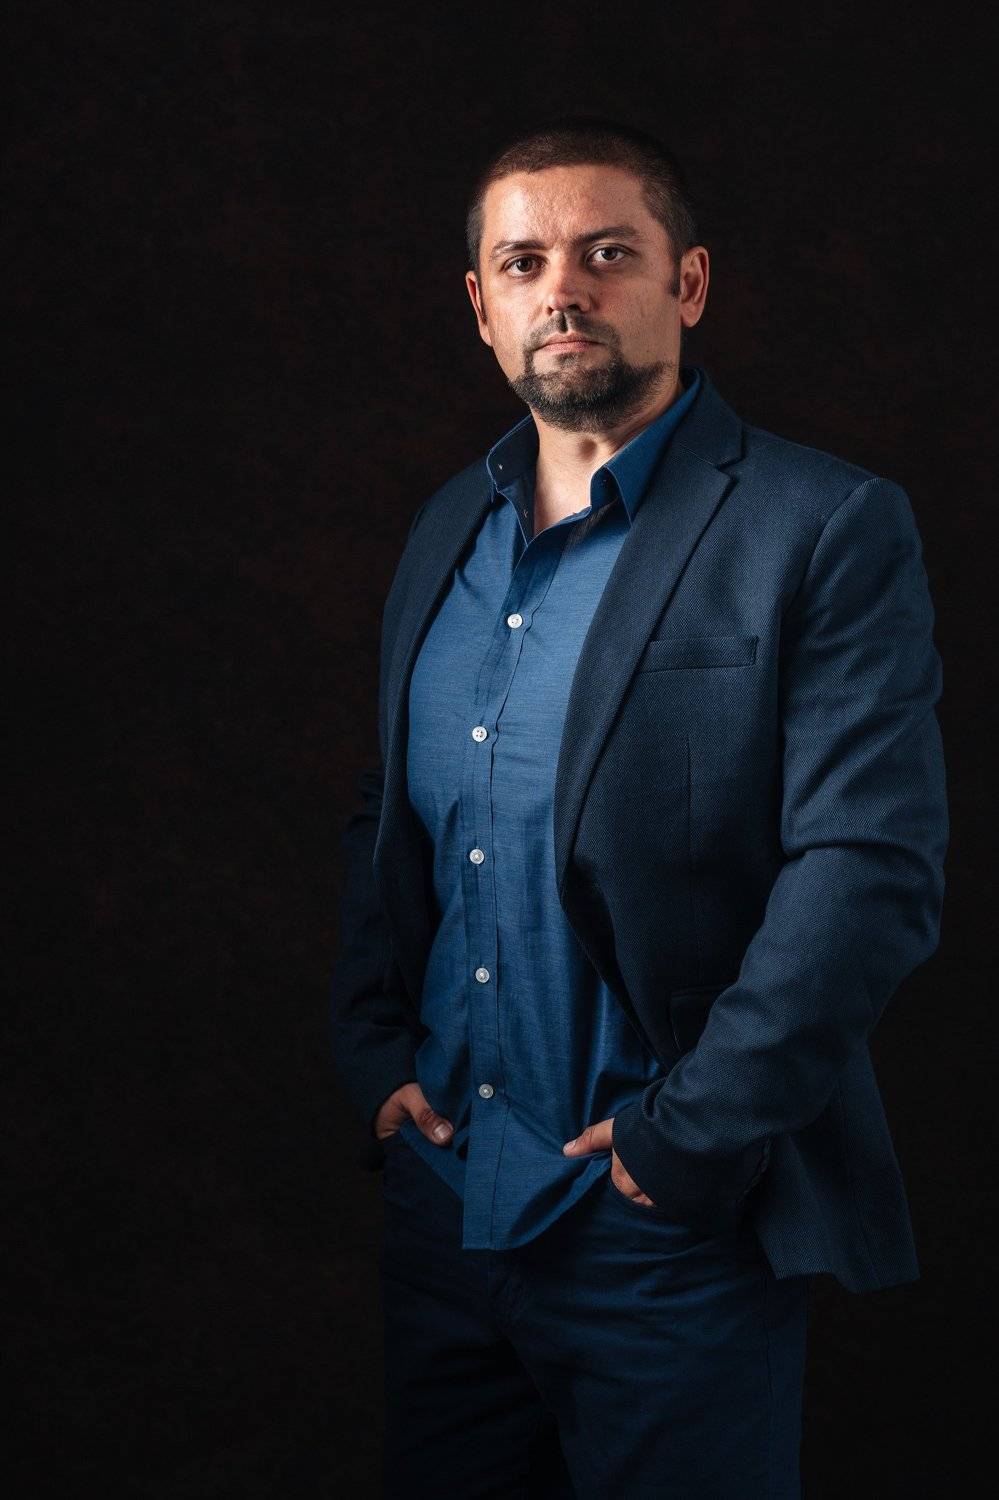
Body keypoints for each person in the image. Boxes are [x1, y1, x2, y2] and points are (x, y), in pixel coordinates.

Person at [330, 114, 948, 1499]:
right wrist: (371, 1051)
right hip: (448, 1209)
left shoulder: (818, 526)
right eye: (526, 262)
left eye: (608, 253)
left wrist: (690, 1138)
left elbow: (869, 873)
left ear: (690, 282)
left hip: (667, 1229)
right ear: (482, 304)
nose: (564, 289)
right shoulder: (445, 528)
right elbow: (394, 807)